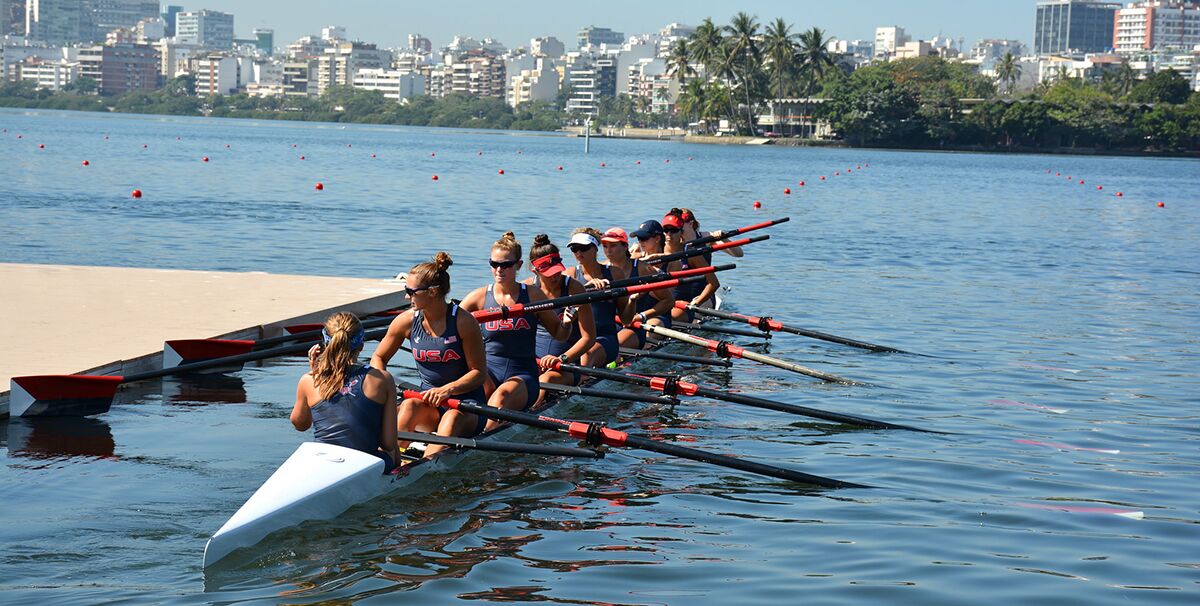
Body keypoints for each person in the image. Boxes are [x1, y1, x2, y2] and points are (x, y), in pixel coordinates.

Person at [371, 252, 487, 457]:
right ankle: (388, 460)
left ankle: (423, 467)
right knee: (408, 406)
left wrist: (447, 389)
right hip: (429, 403)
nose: (407, 296)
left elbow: (478, 373)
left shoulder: (463, 322)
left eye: (411, 291)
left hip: (467, 407)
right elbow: (378, 357)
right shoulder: (406, 321)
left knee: (451, 418)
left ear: (432, 292)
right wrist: (383, 384)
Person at [461, 232, 571, 430]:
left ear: (519, 265)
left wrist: (568, 322)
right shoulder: (477, 298)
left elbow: (560, 334)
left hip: (523, 375)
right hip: (488, 372)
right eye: (494, 264)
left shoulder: (533, 295)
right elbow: (450, 326)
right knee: (468, 395)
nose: (499, 270)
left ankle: (481, 436)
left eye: (506, 265)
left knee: (500, 397)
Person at [291, 312, 398, 471]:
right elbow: (387, 442)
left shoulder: (308, 380)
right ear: (361, 346)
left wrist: (314, 373)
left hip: (322, 462)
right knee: (393, 451)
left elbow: (300, 425)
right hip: (364, 464)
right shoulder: (383, 379)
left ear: (325, 345)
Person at [523, 234, 597, 400]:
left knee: (545, 380)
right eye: (549, 273)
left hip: (566, 365)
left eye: (557, 270)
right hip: (533, 361)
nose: (556, 276)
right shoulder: (527, 289)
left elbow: (589, 338)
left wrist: (561, 359)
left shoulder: (574, 289)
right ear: (534, 270)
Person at [566, 228, 631, 367]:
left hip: (604, 338)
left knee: (586, 356)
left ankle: (581, 380)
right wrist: (585, 290)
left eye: (583, 248)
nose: (578, 253)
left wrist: (632, 300)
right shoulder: (570, 275)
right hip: (577, 338)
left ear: (595, 249)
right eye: (574, 249)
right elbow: (565, 312)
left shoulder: (615, 274)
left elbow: (626, 319)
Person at [615, 221, 675, 349]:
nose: (641, 242)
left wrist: (642, 316)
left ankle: (644, 349)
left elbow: (669, 296)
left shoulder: (672, 261)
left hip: (657, 313)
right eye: (639, 239)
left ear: (658, 238)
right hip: (630, 315)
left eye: (644, 238)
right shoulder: (635, 259)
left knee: (649, 333)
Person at [662, 208, 720, 322]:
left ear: (681, 232)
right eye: (665, 230)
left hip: (684, 304)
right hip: (664, 303)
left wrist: (696, 303)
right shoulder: (656, 248)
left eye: (673, 230)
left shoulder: (691, 253)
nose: (669, 234)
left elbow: (714, 283)